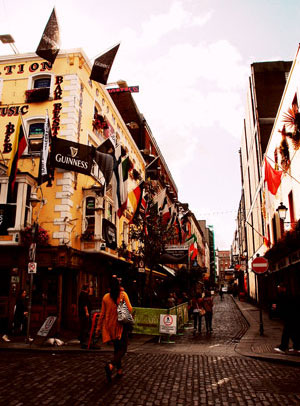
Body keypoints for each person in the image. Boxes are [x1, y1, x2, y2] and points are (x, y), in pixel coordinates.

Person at [96, 277, 133, 381]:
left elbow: (102, 314)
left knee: (117, 349)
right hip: (121, 325)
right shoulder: (123, 295)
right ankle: (111, 365)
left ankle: (119, 370)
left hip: (110, 326)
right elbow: (130, 309)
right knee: (123, 349)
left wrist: (98, 328)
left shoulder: (105, 297)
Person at [274, 283, 300, 354]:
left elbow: (285, 306)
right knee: (291, 332)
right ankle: (296, 346)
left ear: (283, 288)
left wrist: (277, 307)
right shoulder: (289, 294)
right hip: (291, 316)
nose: (278, 289)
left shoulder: (286, 295)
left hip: (290, 316)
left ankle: (283, 347)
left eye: (279, 288)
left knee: (287, 332)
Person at [78, 284, 92, 349]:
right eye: (89, 288)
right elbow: (85, 304)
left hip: (82, 313)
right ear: (87, 288)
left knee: (83, 326)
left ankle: (82, 340)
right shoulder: (84, 295)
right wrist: (86, 312)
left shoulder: (82, 294)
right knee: (85, 326)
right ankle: (83, 341)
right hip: (84, 313)